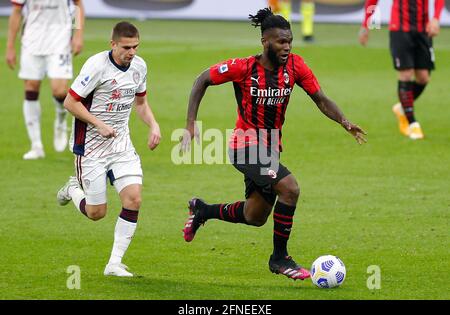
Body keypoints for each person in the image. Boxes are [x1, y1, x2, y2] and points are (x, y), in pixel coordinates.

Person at [181, 8, 366, 281]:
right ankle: (279, 259)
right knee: (290, 188)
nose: (287, 47)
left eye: (289, 41)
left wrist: (344, 121)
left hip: (269, 149)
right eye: (281, 41)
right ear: (265, 41)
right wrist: (190, 122)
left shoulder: (296, 66)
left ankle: (203, 210)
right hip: (244, 147)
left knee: (254, 215)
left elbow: (321, 99)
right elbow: (202, 79)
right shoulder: (243, 68)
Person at [56, 22, 161, 277]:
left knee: (134, 199)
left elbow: (141, 103)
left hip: (121, 144)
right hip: (90, 147)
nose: (132, 52)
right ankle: (73, 187)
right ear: (112, 44)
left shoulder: (139, 66)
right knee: (96, 213)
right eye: (126, 47)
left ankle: (114, 263)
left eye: (135, 46)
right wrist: (98, 124)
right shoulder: (96, 65)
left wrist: (153, 125)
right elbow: (71, 101)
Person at [6, 0, 85, 159]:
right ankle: (36, 146)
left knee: (60, 90)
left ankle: (61, 119)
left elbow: (78, 5)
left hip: (60, 41)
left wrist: (78, 34)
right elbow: (16, 12)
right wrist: (10, 46)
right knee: (31, 87)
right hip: (31, 41)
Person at [359, 0, 445, 140]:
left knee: (423, 78)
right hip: (399, 30)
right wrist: (366, 24)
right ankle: (413, 124)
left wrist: (436, 18)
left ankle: (401, 108)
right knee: (406, 74)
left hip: (423, 29)